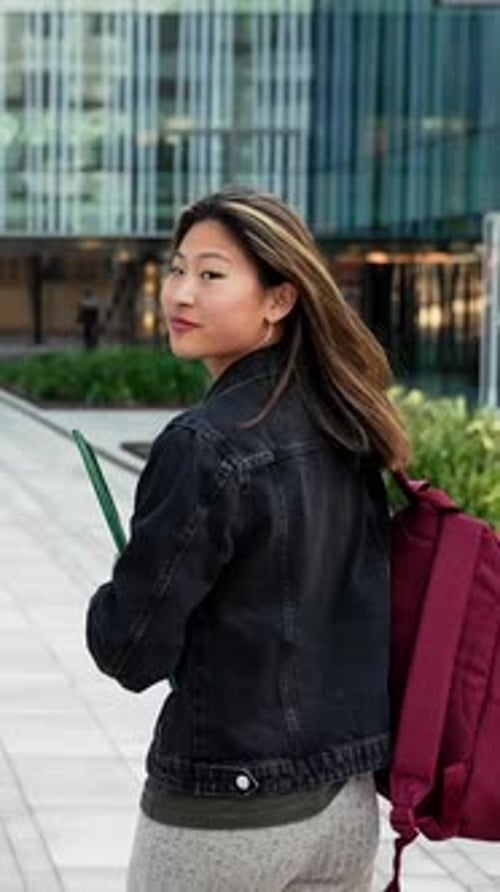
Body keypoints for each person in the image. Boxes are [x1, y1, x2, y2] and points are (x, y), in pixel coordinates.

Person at [86, 187, 411, 892]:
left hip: (224, 818)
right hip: (342, 806)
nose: (181, 293)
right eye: (177, 269)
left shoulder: (203, 445)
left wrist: (116, 591)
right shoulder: (346, 425)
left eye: (212, 274)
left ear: (278, 299)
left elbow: (131, 651)